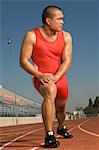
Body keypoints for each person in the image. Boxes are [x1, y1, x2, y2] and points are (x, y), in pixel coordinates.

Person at [20, 5, 73, 148]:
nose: (62, 22)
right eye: (59, 19)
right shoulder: (31, 35)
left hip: (60, 76)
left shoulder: (66, 36)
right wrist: (39, 75)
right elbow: (23, 61)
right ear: (49, 20)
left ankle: (61, 127)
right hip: (41, 76)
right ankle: (49, 134)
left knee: (61, 108)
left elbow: (67, 60)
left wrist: (56, 77)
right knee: (50, 91)